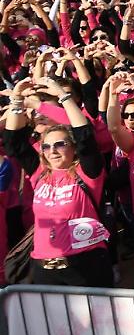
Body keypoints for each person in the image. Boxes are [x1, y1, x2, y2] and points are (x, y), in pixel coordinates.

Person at [3, 78, 112, 287]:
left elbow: (86, 136)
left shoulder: (87, 172)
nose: (52, 150)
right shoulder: (40, 173)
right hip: (43, 268)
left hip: (85, 266)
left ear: (73, 148)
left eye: (60, 144)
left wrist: (63, 96)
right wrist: (17, 100)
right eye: (47, 146)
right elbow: (13, 143)